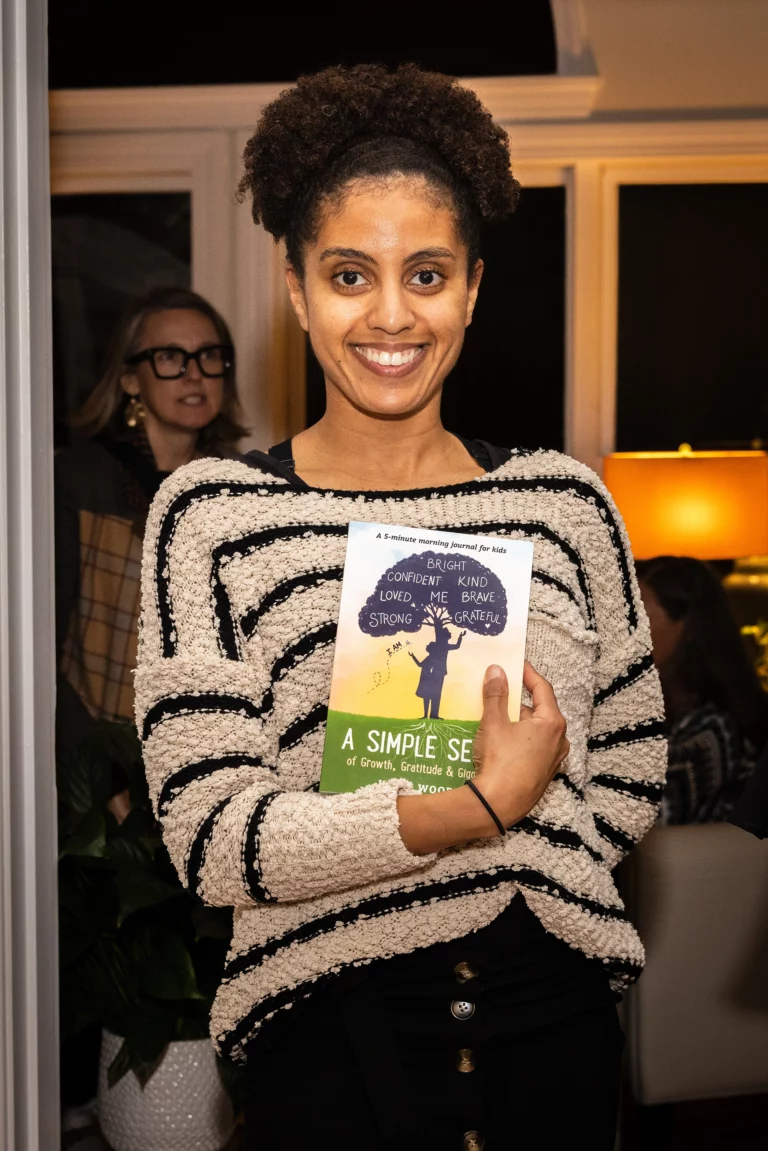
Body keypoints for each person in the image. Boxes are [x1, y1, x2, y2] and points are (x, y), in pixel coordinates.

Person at [135, 65, 666, 1150]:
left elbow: (633, 764)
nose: (390, 314)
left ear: (472, 286)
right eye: (348, 274)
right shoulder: (213, 512)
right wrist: (476, 807)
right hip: (330, 1023)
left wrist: (530, 848)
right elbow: (213, 836)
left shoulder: (563, 501)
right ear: (295, 287)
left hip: (551, 1009)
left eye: (426, 273)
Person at [55, 285, 246, 754]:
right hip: (98, 772)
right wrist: (104, 778)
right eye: (170, 357)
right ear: (130, 380)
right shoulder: (78, 479)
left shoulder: (242, 488)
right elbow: (40, 653)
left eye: (208, 356)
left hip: (212, 758)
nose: (194, 374)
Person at [636, 555, 768, 825]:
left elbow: (651, 816)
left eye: (640, 613)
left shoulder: (715, 727)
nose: (629, 628)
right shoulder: (668, 711)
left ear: (683, 624)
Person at [410, 626, 466, 718]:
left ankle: (432, 715)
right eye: (448, 632)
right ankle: (429, 715)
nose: (450, 633)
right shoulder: (442, 645)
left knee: (434, 694)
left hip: (438, 672)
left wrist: (460, 637)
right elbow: (456, 646)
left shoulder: (443, 645)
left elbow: (456, 646)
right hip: (435, 673)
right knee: (432, 694)